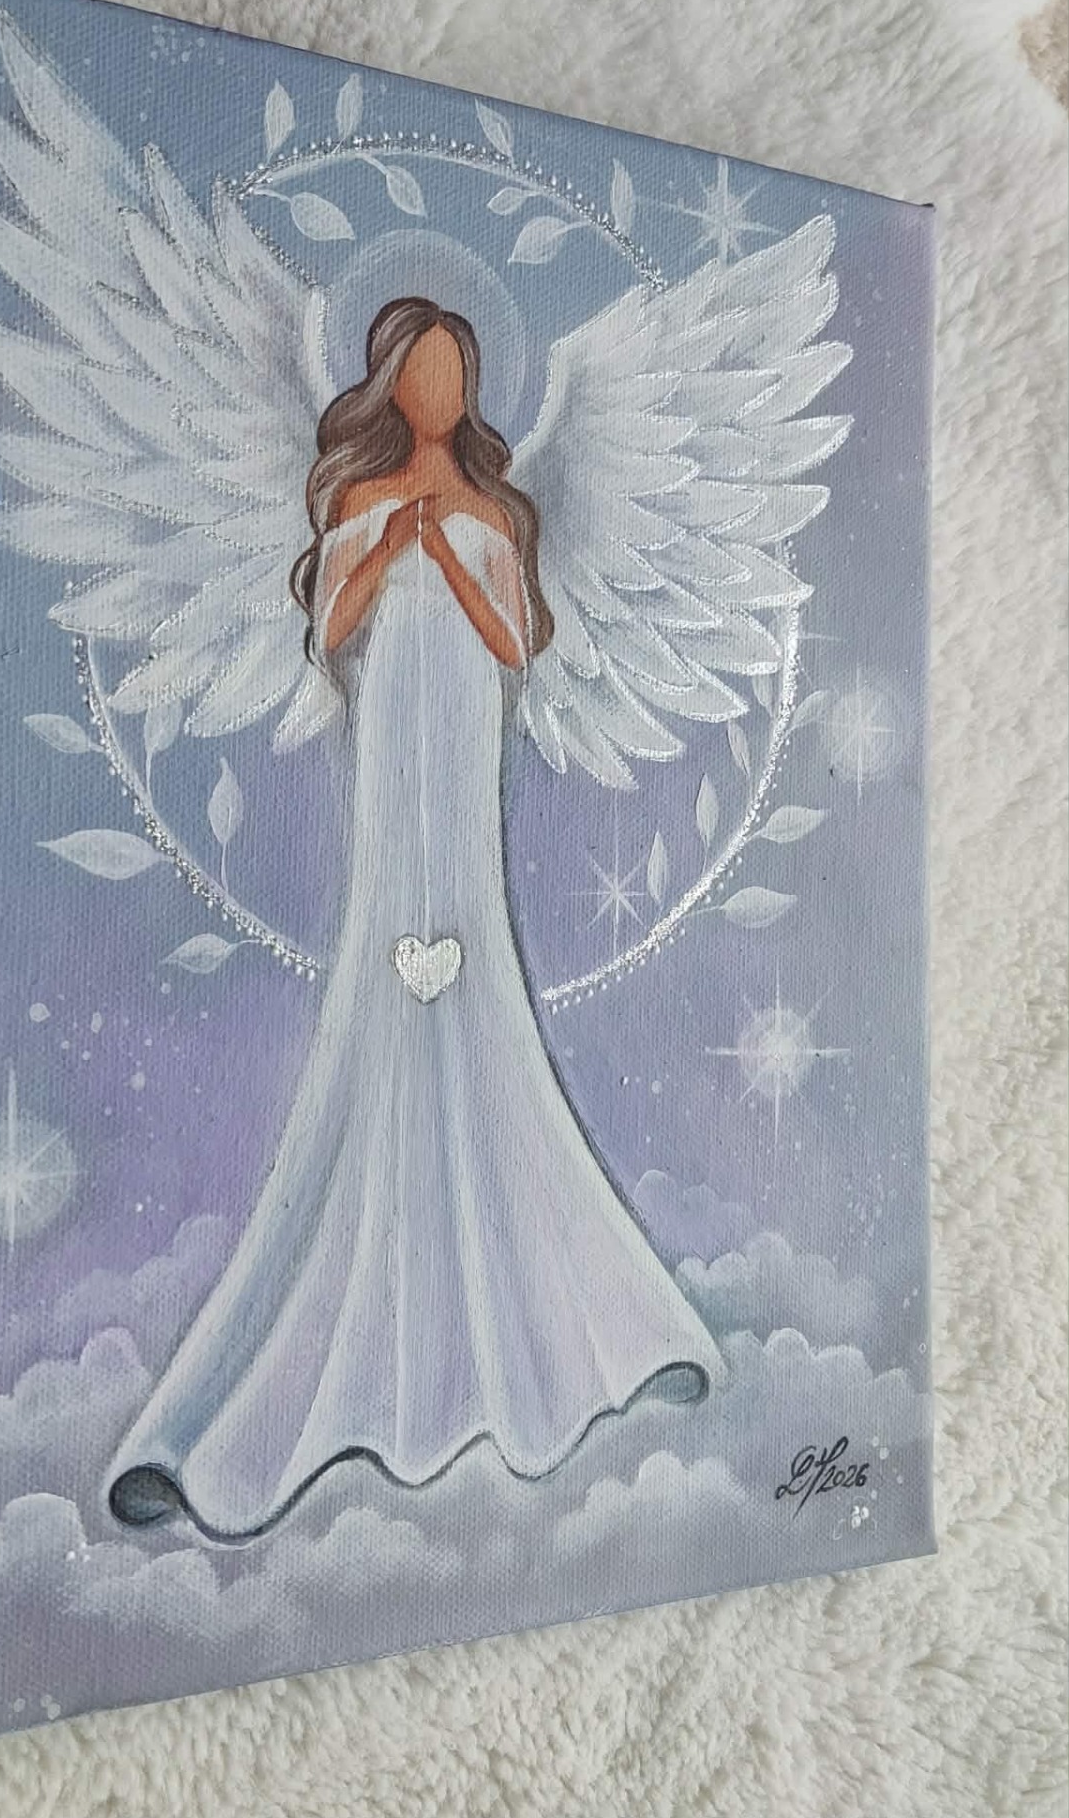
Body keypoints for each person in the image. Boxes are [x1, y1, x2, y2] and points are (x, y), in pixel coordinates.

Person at [105, 297, 727, 1540]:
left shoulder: (497, 509)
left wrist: (448, 553)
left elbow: (514, 640)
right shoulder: (358, 495)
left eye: (455, 371)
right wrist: (392, 538)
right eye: (423, 372)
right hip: (394, 748)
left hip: (463, 740)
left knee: (473, 962)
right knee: (383, 972)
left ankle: (578, 1331)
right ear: (391, 383)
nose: (440, 390)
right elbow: (330, 632)